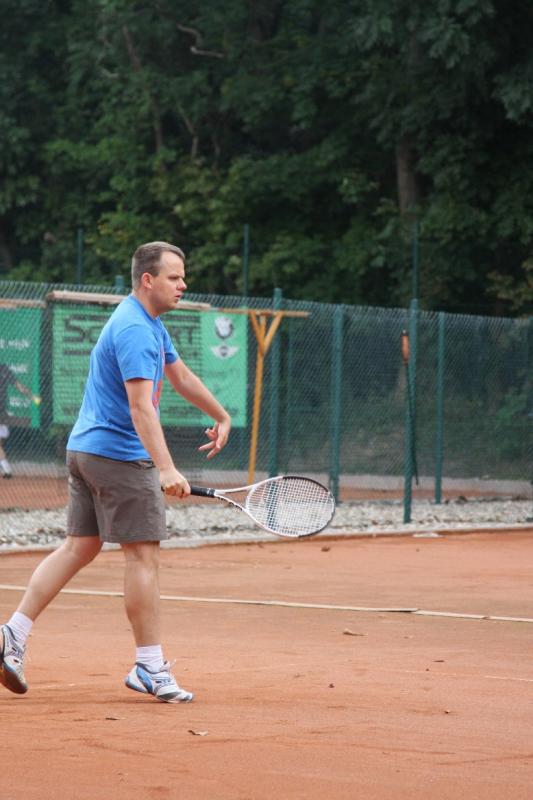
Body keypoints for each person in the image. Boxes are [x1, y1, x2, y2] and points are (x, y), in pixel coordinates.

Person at [0, 241, 231, 703]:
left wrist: (221, 415)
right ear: (148, 279)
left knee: (79, 546)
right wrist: (166, 468)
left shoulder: (147, 323)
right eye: (174, 277)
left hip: (86, 451)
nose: (183, 285)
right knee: (143, 556)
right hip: (120, 457)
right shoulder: (136, 330)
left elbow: (181, 377)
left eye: (182, 277)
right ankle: (149, 666)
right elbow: (140, 407)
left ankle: (12, 634)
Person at [0, 363, 41, 478]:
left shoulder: (3, 369)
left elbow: (18, 386)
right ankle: (6, 469)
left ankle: (7, 469)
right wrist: (33, 397)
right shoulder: (4, 369)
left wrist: (33, 397)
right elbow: (19, 386)